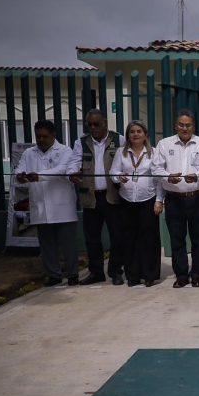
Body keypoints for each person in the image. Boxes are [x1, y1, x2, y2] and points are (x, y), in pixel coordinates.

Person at [151, 109, 199, 288]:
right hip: (174, 199)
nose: (184, 128)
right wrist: (167, 177)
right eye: (181, 125)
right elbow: (156, 169)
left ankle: (196, 274)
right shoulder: (164, 144)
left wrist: (196, 176)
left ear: (193, 126)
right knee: (177, 240)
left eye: (188, 125)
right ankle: (180, 275)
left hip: (198, 198)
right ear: (176, 126)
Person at [15, 120, 79, 286]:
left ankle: (72, 274)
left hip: (62, 206)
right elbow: (18, 169)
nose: (41, 139)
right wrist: (20, 175)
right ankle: (53, 275)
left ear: (53, 135)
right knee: (47, 245)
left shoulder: (65, 151)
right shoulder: (29, 153)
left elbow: (62, 170)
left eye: (45, 136)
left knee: (68, 245)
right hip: (40, 206)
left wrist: (39, 175)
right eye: (38, 136)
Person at [69, 109, 125, 286]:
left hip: (112, 196)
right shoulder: (81, 143)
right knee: (92, 237)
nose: (93, 128)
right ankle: (96, 272)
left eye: (96, 124)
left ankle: (116, 270)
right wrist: (73, 172)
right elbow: (74, 163)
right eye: (90, 125)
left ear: (105, 123)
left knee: (117, 236)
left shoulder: (119, 140)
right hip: (91, 197)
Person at [110, 120, 164, 287]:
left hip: (148, 200)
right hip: (127, 200)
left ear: (145, 135)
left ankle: (149, 275)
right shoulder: (121, 152)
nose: (135, 134)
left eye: (139, 131)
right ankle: (132, 275)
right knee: (129, 238)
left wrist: (159, 200)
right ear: (128, 135)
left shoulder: (153, 153)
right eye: (132, 132)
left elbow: (159, 179)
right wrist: (119, 176)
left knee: (149, 238)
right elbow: (113, 172)